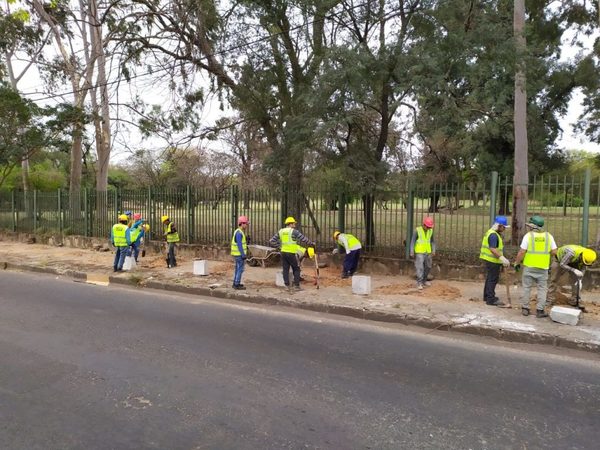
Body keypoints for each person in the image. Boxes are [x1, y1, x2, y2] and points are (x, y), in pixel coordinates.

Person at [513, 215, 557, 318]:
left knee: (527, 288)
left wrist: (517, 263)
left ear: (533, 226)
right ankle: (540, 311)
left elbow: (522, 252)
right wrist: (545, 255)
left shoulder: (528, 236)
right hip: (543, 268)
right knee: (542, 289)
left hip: (529, 267)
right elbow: (555, 251)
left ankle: (525, 309)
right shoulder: (548, 236)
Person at [269, 216, 314, 291]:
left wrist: (279, 247)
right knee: (296, 269)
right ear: (291, 224)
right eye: (294, 223)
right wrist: (311, 243)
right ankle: (296, 286)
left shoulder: (281, 231)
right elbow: (303, 239)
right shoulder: (294, 231)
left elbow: (271, 241)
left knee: (285, 269)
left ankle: (286, 286)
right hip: (292, 253)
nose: (295, 225)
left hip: (283, 252)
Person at [479, 216, 511, 306]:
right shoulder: (493, 235)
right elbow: (492, 249)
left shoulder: (492, 232)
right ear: (499, 226)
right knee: (493, 279)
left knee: (490, 278)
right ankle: (491, 299)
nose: (504, 229)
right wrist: (502, 258)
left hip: (490, 260)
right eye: (504, 227)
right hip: (492, 261)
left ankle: (487, 296)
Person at [410, 217, 435, 290]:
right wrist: (412, 251)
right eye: (428, 227)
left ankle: (424, 280)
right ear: (424, 225)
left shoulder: (430, 231)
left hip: (428, 252)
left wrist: (433, 250)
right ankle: (419, 283)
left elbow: (433, 241)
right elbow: (412, 241)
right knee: (420, 267)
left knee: (428, 266)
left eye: (430, 227)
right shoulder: (417, 231)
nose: (429, 228)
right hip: (419, 252)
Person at [231, 215, 249, 290]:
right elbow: (239, 245)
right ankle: (237, 284)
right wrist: (243, 254)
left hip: (237, 254)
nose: (247, 225)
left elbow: (241, 243)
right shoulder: (239, 233)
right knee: (240, 269)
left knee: (237, 268)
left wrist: (247, 240)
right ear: (242, 224)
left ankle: (235, 283)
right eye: (246, 224)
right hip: (239, 254)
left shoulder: (239, 232)